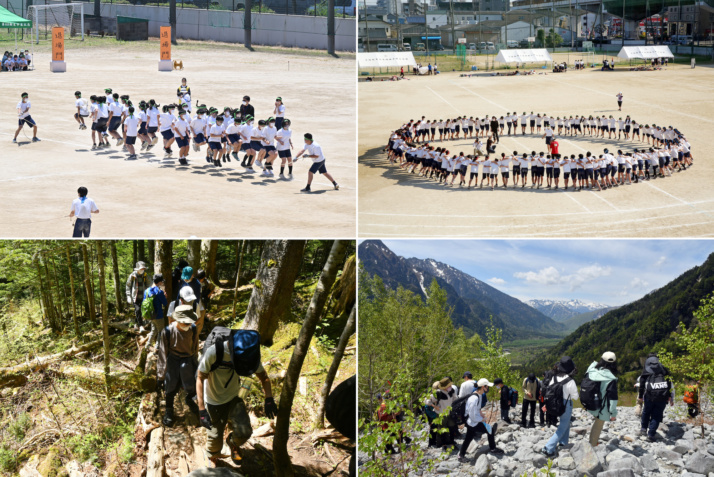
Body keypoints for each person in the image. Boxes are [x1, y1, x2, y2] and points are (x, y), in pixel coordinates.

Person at [196, 330, 277, 465]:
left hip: (233, 398)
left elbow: (263, 376)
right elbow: (200, 378)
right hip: (213, 401)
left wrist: (269, 398)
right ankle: (213, 457)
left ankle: (232, 443)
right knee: (215, 439)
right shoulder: (214, 352)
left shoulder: (248, 355)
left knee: (244, 432)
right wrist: (201, 409)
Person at [158, 286, 200, 427]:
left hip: (188, 360)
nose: (188, 324)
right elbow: (162, 353)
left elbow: (195, 347)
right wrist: (160, 376)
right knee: (170, 386)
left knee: (191, 384)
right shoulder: (168, 331)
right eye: (185, 322)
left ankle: (190, 399)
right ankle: (169, 409)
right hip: (173, 361)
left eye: (190, 322)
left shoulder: (193, 328)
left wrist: (197, 366)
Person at [457, 378, 503, 463]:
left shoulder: (479, 395)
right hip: (472, 422)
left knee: (468, 438)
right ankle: (493, 448)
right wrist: (481, 420)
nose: (488, 388)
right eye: (487, 387)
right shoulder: (474, 398)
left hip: (473, 421)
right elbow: (472, 415)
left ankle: (461, 455)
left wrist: (482, 415)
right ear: (483, 387)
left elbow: (478, 409)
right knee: (490, 430)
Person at [541, 356, 579, 457]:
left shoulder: (554, 377)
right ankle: (548, 448)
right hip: (566, 404)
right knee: (562, 426)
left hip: (555, 404)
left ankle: (563, 443)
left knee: (565, 424)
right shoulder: (570, 381)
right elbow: (575, 396)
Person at [585, 352, 619, 447]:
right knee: (599, 424)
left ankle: (592, 441)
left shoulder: (592, 370)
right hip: (601, 406)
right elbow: (612, 399)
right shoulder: (611, 378)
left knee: (597, 422)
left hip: (590, 402)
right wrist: (613, 414)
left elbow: (591, 366)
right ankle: (592, 444)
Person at [638, 353, 674, 442]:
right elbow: (669, 383)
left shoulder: (646, 369)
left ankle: (643, 429)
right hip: (662, 396)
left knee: (646, 411)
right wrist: (669, 395)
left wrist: (640, 396)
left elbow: (642, 384)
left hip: (649, 396)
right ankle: (651, 434)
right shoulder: (664, 369)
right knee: (656, 415)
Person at [423, 378, 457, 449]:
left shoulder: (451, 391)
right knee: (442, 429)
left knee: (452, 427)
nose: (450, 386)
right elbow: (426, 400)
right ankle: (443, 445)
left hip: (450, 412)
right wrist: (434, 406)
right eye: (449, 385)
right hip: (441, 413)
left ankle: (452, 443)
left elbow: (455, 399)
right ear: (445, 387)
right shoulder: (437, 393)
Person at [144, 273, 169, 346]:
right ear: (160, 282)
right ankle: (157, 347)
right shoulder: (159, 292)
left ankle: (147, 345)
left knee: (154, 330)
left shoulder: (147, 291)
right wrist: (165, 297)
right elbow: (165, 303)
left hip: (150, 315)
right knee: (161, 331)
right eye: (162, 282)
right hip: (158, 315)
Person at [126, 261, 150, 332]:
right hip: (135, 297)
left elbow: (150, 284)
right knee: (138, 310)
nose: (142, 270)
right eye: (141, 269)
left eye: (143, 269)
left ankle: (136, 324)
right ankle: (141, 326)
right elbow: (128, 286)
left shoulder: (145, 275)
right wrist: (128, 296)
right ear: (137, 269)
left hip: (144, 297)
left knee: (141, 311)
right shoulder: (132, 276)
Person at [196, 269, 215, 337]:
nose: (199, 280)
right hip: (195, 304)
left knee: (201, 320)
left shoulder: (207, 283)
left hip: (203, 304)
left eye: (201, 278)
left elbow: (213, 288)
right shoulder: (195, 281)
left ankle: (199, 334)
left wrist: (208, 295)